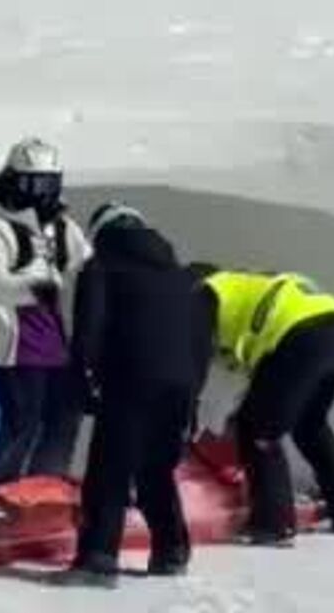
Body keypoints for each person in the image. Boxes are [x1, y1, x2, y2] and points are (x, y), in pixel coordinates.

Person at [58, 203, 213, 586]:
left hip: (130, 379)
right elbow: (201, 342)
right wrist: (192, 395)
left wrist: (82, 384)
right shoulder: (182, 278)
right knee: (156, 469)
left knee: (110, 469)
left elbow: (88, 330)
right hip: (180, 385)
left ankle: (97, 557)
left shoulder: (101, 269)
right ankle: (172, 551)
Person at [190, 263, 334, 545]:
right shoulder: (248, 292)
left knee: (259, 430)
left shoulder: (208, 292)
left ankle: (273, 523)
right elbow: (265, 383)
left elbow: (192, 363)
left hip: (300, 334)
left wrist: (185, 412)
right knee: (310, 425)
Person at [0, 137, 93, 487]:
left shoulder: (62, 227)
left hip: (56, 341)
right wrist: (34, 286)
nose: (40, 194)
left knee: (64, 415)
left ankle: (42, 484)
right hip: (17, 345)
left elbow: (86, 262)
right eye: (31, 184)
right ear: (13, 182)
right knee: (22, 420)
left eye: (48, 185)